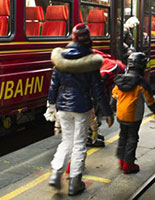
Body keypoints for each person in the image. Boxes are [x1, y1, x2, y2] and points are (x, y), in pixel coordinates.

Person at [46, 23, 114, 195]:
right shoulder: (90, 60)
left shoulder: (61, 58)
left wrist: (51, 105)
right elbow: (98, 90)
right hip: (82, 107)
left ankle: (55, 174)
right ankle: (75, 183)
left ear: (72, 38)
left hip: (63, 107)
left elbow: (54, 85)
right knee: (78, 145)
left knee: (66, 142)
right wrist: (107, 112)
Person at [111, 52, 155, 174]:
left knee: (123, 136)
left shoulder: (120, 80)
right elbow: (149, 100)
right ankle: (128, 164)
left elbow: (114, 96)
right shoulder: (141, 82)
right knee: (132, 138)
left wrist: (111, 110)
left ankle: (121, 161)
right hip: (133, 116)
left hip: (121, 115)